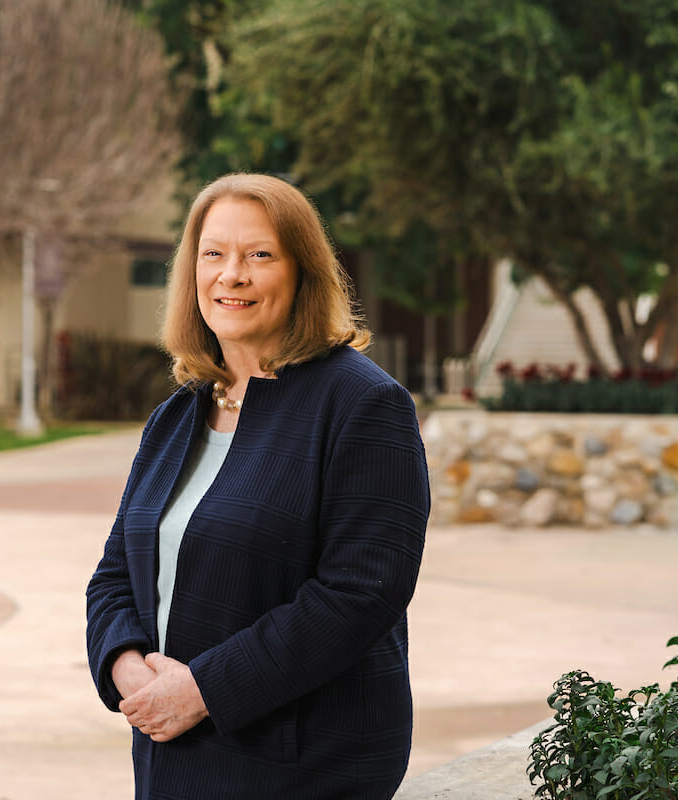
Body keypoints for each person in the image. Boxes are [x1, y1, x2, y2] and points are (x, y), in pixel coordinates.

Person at [86, 173, 430, 799]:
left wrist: (203, 691)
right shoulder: (177, 416)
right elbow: (115, 573)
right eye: (213, 254)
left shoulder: (364, 404)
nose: (231, 275)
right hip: (174, 756)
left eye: (259, 255)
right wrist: (125, 667)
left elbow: (361, 592)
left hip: (304, 765)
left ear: (303, 273)